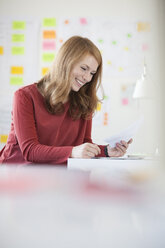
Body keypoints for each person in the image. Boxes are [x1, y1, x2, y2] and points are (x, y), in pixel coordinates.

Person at [0, 36, 132, 165]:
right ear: (66, 62)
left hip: (52, 173)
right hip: (14, 172)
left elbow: (83, 146)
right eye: (84, 68)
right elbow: (30, 150)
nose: (87, 78)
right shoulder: (25, 96)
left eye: (92, 73)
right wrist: (73, 152)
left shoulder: (84, 102)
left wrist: (107, 151)